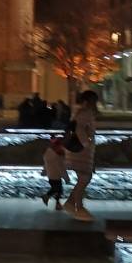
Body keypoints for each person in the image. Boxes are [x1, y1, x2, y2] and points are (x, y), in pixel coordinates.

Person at [64, 90, 99, 221]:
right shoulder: (86, 112)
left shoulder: (78, 111)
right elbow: (79, 129)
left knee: (84, 178)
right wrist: (87, 143)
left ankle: (72, 204)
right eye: (93, 101)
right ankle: (78, 207)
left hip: (77, 150)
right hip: (81, 152)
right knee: (84, 178)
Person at [41, 136, 70, 210]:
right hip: (56, 175)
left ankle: (57, 204)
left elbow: (45, 164)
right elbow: (61, 168)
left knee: (57, 189)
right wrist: (66, 178)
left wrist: (44, 171)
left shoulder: (48, 152)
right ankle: (47, 197)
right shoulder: (58, 155)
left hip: (50, 175)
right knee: (57, 189)